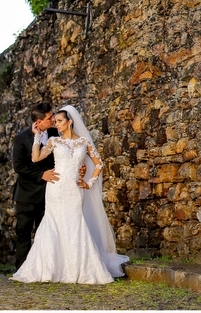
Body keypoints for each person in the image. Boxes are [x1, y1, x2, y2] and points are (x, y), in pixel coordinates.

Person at [11, 105, 129, 284]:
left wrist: (87, 181)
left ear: (70, 122)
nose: (55, 123)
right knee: (52, 226)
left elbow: (98, 164)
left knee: (75, 225)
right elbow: (34, 159)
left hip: (75, 190)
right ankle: (49, 269)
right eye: (53, 120)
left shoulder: (83, 142)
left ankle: (77, 268)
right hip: (55, 188)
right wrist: (36, 137)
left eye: (59, 121)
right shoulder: (53, 141)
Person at [11, 102, 59, 270]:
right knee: (23, 232)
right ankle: (22, 268)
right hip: (26, 194)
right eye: (49, 117)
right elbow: (19, 167)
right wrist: (41, 175)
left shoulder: (56, 133)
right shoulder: (21, 138)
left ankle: (43, 268)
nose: (53, 119)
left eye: (53, 116)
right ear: (38, 122)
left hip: (49, 192)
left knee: (45, 231)